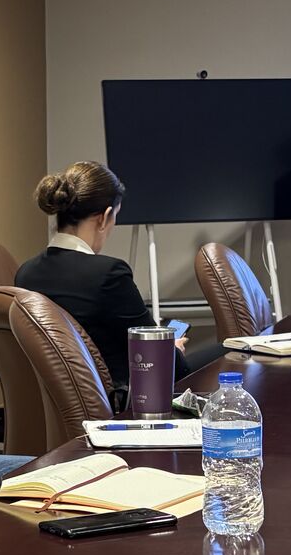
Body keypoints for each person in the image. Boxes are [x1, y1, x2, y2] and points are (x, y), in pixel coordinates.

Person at [15, 161, 190, 393]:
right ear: (104, 217)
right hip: (117, 399)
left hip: (53, 401)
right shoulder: (109, 274)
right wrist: (173, 349)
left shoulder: (25, 274)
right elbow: (160, 358)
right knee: (223, 355)